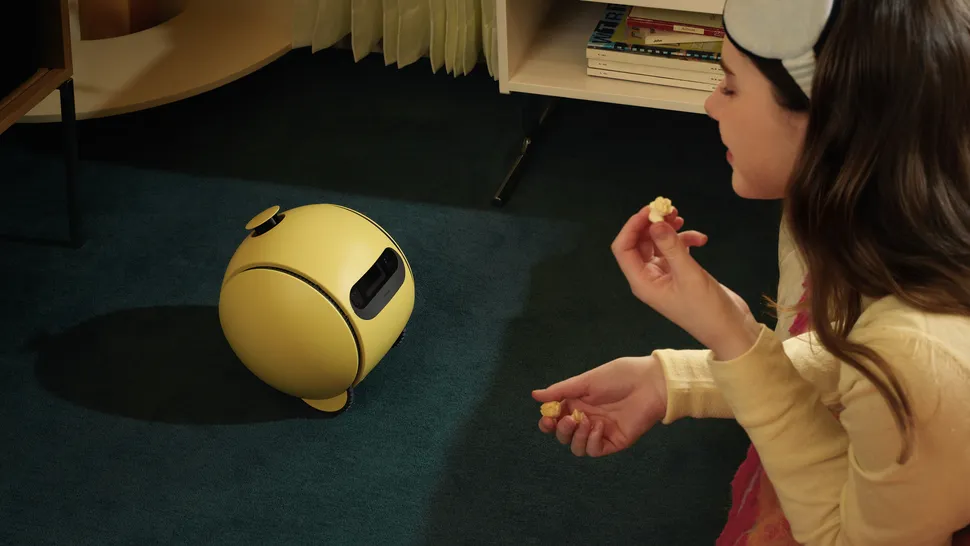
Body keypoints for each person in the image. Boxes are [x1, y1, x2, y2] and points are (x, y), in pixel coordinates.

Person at [532, 0, 970, 544]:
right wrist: (672, 379)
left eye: (731, 87)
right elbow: (850, 354)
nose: (711, 104)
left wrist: (733, 338)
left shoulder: (922, 363)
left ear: (829, 124)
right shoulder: (906, 232)